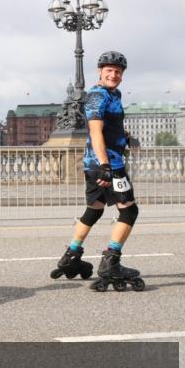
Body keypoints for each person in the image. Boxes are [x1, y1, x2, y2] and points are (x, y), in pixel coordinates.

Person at [52, 51, 144, 290]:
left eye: (118, 71)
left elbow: (112, 128)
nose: (113, 75)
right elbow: (95, 132)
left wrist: (126, 137)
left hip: (102, 163)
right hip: (108, 165)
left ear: (122, 75)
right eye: (109, 71)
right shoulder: (96, 96)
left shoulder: (115, 94)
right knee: (129, 212)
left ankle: (71, 254)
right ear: (100, 72)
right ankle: (111, 261)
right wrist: (105, 167)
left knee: (94, 210)